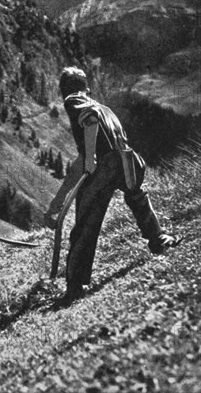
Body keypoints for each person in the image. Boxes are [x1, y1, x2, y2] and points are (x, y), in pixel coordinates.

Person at [44, 67, 182, 305]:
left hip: (105, 166)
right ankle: (159, 238)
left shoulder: (73, 100)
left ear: (65, 90)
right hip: (129, 159)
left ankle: (75, 286)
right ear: (87, 87)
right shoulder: (104, 107)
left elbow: (89, 121)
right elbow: (85, 156)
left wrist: (90, 160)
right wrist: (58, 202)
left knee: (86, 223)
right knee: (137, 198)